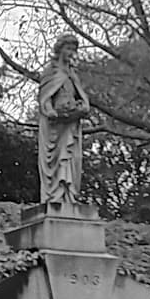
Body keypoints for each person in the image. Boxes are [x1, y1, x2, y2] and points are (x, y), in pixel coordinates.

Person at [37, 34, 91, 207]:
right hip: (55, 127)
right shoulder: (51, 73)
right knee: (56, 159)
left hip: (70, 125)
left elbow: (82, 98)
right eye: (68, 49)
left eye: (74, 50)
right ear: (60, 51)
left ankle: (68, 195)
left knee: (69, 158)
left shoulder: (73, 75)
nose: (71, 53)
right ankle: (54, 196)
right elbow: (44, 99)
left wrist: (81, 108)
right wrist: (51, 111)